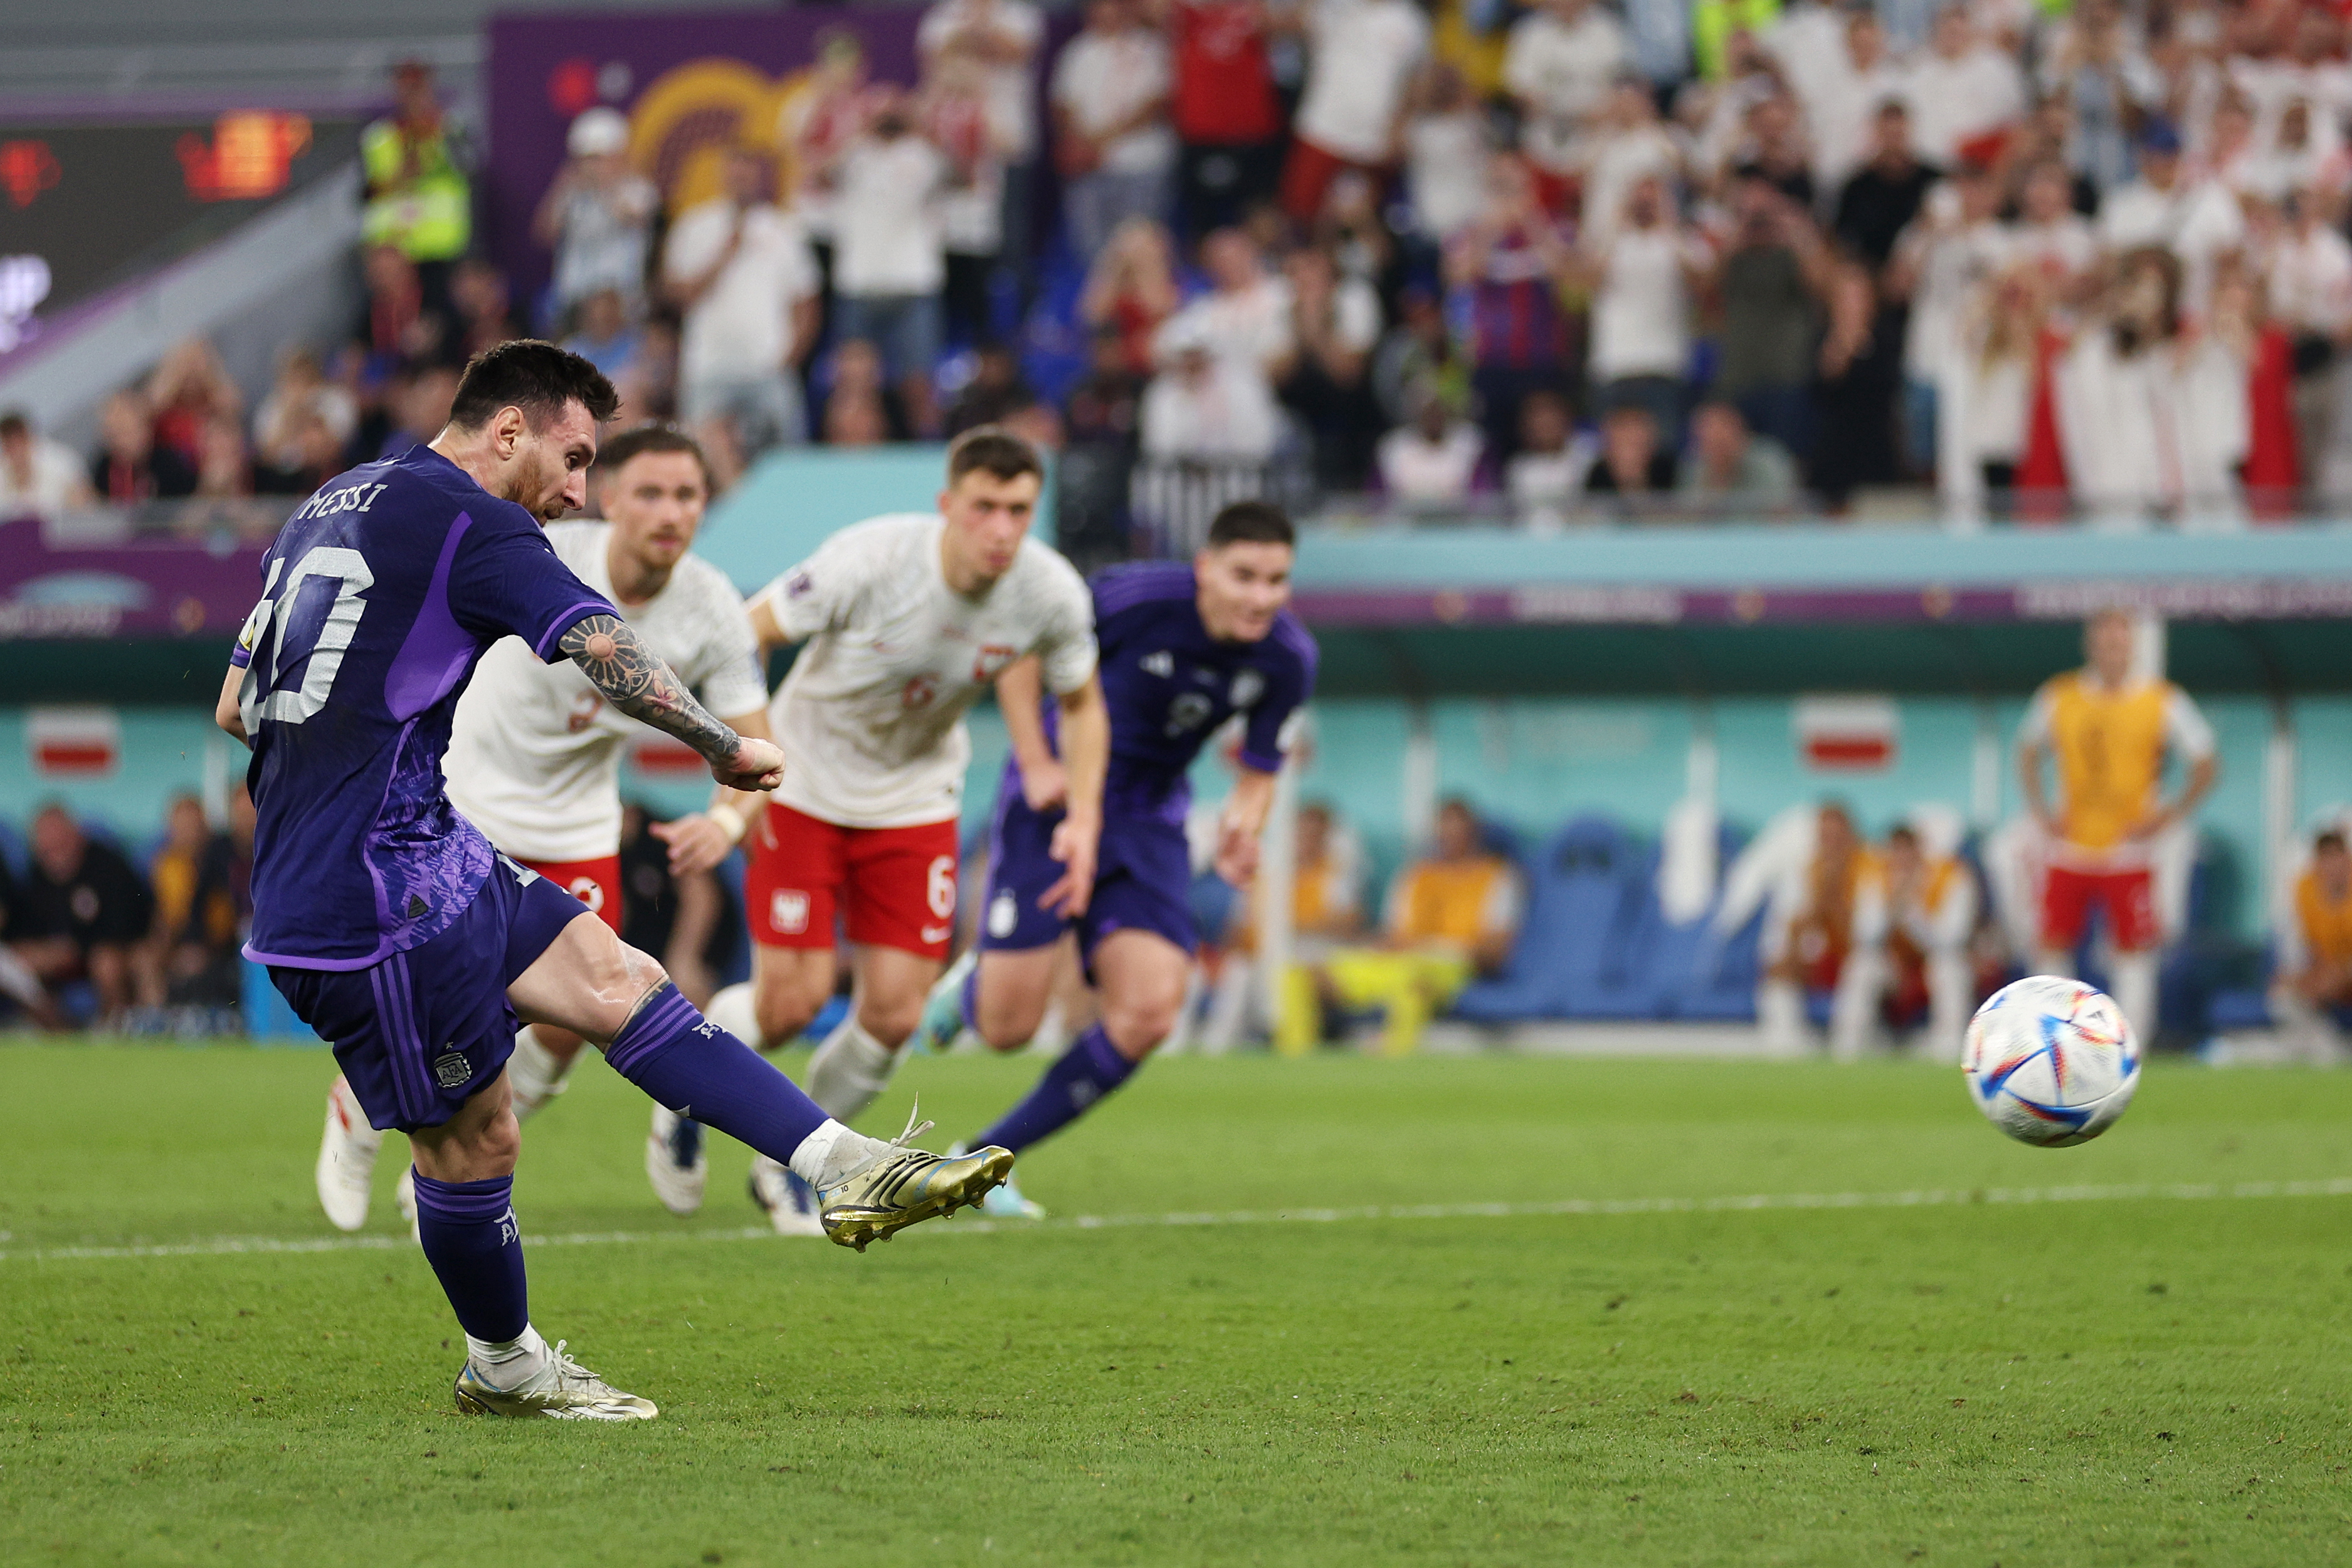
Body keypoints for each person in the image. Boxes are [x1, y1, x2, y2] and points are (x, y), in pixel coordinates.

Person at [223, 340, 1010, 1420]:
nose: (578, 492)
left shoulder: (329, 502)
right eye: (575, 458)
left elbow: (236, 703)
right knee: (473, 1139)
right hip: (376, 898)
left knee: (617, 979)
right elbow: (595, 639)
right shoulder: (476, 515)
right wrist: (721, 746)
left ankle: (844, 1165)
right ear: (508, 432)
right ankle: (504, 1364)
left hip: (418, 847)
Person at [311, 423, 775, 1231]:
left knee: (569, 1020)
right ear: (611, 501)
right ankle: (356, 1115)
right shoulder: (543, 548)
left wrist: (728, 823)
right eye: (650, 493)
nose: (670, 512)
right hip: (468, 797)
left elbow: (756, 737)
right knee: (446, 1002)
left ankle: (452, 1174)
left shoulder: (713, 607)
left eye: (688, 495)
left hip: (578, 819)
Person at [698, 428, 1102, 1232]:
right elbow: (747, 630)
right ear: (947, 504)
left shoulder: (1050, 591)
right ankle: (689, 1075)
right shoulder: (873, 558)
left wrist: (1084, 818)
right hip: (803, 781)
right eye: (983, 507)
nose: (1000, 528)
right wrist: (734, 748)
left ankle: (792, 1167)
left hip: (914, 800)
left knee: (892, 1014)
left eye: (1018, 510)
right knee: (790, 1003)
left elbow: (1082, 700)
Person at [912, 501, 1315, 1213]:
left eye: (1276, 580)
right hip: (1058, 794)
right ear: (1205, 570)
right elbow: (1021, 657)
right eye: (1244, 575)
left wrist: (1244, 828)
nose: (1261, 596)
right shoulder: (1131, 597)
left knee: (1150, 1010)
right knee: (1005, 1029)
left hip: (1150, 817)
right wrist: (1035, 763)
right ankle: (973, 988)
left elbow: (1260, 767)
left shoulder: (1286, 657)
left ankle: (981, 1162)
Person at [2016, 609, 2218, 1039]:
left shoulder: (2161, 698)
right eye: (2103, 640)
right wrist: (2040, 810)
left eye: (2119, 640)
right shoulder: (2060, 695)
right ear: (2089, 644)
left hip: (2129, 847)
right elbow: (2027, 749)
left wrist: (2169, 812)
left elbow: (2204, 760)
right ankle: (2050, 1039)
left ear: (2132, 645)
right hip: (2070, 843)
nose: (2111, 649)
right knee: (2052, 942)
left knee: (2133, 949)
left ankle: (2129, 1042)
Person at [1287, 797, 1519, 1055]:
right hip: (1394, 963)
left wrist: (1435, 946)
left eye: (1458, 831)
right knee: (1296, 976)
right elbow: (1392, 934)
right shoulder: (1415, 875)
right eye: (1445, 831)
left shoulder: (1498, 877)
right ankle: (1297, 1062)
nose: (1451, 839)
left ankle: (1392, 1063)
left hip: (1443, 965)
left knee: (1412, 986)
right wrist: (1384, 946)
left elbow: (1495, 951)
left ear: (1474, 833)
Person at [662, 148, 821, 459]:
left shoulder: (784, 228)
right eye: (735, 173)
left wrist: (787, 359)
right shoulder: (695, 226)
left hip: (768, 366)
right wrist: (725, 252)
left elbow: (807, 303)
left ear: (759, 179)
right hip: (707, 365)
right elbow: (679, 295)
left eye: (748, 174)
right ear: (723, 176)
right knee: (700, 458)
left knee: (789, 457)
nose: (741, 181)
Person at [831, 94, 952, 438]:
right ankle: (853, 464)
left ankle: (928, 458)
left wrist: (920, 128)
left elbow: (960, 174)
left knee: (918, 384)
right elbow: (820, 174)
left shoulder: (921, 154)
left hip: (914, 283)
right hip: (859, 283)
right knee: (854, 387)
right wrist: (860, 131)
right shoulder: (855, 154)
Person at [1830, 819, 1978, 1061]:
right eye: (1895, 852)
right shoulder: (1877, 878)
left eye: (1908, 852)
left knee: (1949, 968)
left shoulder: (1951, 876)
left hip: (1932, 962)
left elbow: (1951, 939)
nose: (1902, 861)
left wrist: (1913, 910)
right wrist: (1892, 905)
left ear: (1920, 850)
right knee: (1862, 966)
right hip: (1892, 965)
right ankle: (1849, 1047)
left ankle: (1949, 1047)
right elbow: (1865, 935)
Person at [1279, 0, 1432, 221]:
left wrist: (1399, 129)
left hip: (1373, 141)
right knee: (1300, 214)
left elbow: (1417, 79)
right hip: (1322, 129)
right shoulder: (1334, 6)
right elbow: (1293, 25)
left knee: (1360, 222)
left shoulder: (1410, 20)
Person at [9, 804, 157, 1026]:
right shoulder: (36, 875)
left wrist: (76, 947)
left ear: (75, 834)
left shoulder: (107, 865)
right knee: (15, 963)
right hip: (58, 960)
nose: (53, 849)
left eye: (58, 839)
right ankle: (56, 1029)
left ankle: (114, 1029)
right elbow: (23, 927)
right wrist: (38, 950)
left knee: (106, 962)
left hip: (106, 952)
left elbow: (130, 924)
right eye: (45, 842)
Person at [1052, 0, 1176, 263]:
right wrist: (1084, 141)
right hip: (1090, 166)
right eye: (1099, 7)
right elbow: (1062, 104)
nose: (1106, 13)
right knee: (1090, 250)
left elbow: (1157, 103)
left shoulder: (1151, 47)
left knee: (1139, 248)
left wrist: (1105, 137)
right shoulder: (1079, 50)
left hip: (1140, 164)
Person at [1752, 801, 1869, 1051]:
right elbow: (1796, 925)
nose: (1831, 846)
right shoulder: (1808, 870)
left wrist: (1834, 899)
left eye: (1837, 838)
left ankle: (1848, 1051)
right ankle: (1788, 1048)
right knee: (1779, 974)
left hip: (1858, 957)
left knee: (1862, 970)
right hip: (1822, 956)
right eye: (1825, 838)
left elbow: (1863, 937)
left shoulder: (1868, 869)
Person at [534, 107, 660, 322]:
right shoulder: (573, 192)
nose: (592, 166)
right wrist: (561, 187)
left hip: (621, 302)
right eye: (587, 159)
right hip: (575, 301)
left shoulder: (639, 189)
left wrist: (605, 187)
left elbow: (635, 219)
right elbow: (544, 234)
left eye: (598, 159)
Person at [360, 61, 471, 303]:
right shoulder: (380, 136)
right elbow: (367, 192)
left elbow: (469, 165)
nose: (413, 97)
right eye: (407, 89)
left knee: (439, 310)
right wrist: (402, 174)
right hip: (394, 249)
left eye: (419, 89)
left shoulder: (449, 128)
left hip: (440, 245)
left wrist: (437, 130)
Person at [1169, 0, 1283, 236]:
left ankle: (1261, 269)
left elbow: (1286, 26)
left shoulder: (1253, 9)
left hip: (1252, 128)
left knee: (1257, 213)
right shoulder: (1184, 10)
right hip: (1203, 128)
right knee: (1203, 220)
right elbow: (1152, 12)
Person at [2273, 828, 2352, 1063]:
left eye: (2337, 857)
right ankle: (2330, 1049)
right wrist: (2302, 976)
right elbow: (2306, 945)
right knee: (2284, 993)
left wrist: (2342, 972)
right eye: (2324, 858)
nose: (2332, 866)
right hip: (2328, 969)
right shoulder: (2305, 889)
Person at [1677, 398, 1798, 502]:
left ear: (1740, 433)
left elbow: (1782, 512)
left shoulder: (1768, 461)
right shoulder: (1694, 468)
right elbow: (1689, 517)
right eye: (1707, 440)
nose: (1717, 448)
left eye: (1722, 440)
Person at [90, 389, 197, 502]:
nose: (123, 442)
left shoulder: (169, 464)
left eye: (129, 432)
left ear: (146, 428)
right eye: (116, 435)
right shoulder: (104, 469)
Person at [0, 409, 94, 519]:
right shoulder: (3, 470)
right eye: (9, 444)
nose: (16, 450)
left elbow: (85, 505)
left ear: (27, 437)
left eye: (18, 442)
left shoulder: (62, 463)